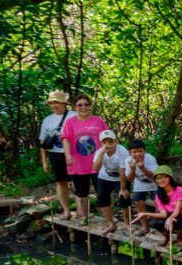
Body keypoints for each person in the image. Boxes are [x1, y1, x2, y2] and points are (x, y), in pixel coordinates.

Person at [61, 94, 109, 222]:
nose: (83, 107)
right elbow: (66, 139)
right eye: (80, 105)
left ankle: (109, 218)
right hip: (78, 163)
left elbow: (108, 137)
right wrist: (67, 155)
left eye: (86, 104)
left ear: (90, 106)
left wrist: (108, 152)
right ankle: (85, 218)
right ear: (74, 107)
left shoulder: (98, 121)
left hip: (97, 162)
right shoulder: (70, 122)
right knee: (82, 192)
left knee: (103, 191)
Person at [38, 90, 76, 219]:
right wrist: (44, 162)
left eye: (57, 102)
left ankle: (82, 211)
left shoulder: (74, 116)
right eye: (51, 103)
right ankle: (66, 211)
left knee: (76, 182)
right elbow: (43, 143)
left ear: (64, 103)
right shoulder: (47, 120)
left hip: (73, 154)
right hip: (55, 154)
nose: (54, 106)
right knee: (60, 182)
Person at [133, 165, 182, 247]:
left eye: (162, 177)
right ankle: (166, 237)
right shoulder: (158, 195)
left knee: (177, 222)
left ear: (169, 178)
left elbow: (177, 211)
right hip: (168, 215)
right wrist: (144, 214)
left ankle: (180, 238)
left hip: (180, 216)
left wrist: (170, 218)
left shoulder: (179, 190)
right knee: (158, 223)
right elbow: (163, 214)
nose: (160, 180)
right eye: (157, 178)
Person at [91, 130, 130, 235]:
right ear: (101, 143)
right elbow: (95, 168)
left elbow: (122, 171)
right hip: (104, 177)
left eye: (110, 141)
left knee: (123, 198)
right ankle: (111, 224)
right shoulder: (99, 152)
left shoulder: (123, 152)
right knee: (101, 198)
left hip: (120, 178)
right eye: (105, 142)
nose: (108, 145)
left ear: (116, 141)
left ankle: (127, 223)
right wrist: (101, 153)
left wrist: (122, 189)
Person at [123, 139, 158, 234]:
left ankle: (161, 226)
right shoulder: (128, 160)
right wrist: (133, 169)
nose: (138, 154)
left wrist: (142, 168)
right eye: (134, 152)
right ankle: (145, 227)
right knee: (138, 203)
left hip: (154, 182)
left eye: (140, 151)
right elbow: (129, 179)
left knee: (158, 203)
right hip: (139, 182)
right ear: (130, 152)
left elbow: (154, 177)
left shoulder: (150, 159)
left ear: (145, 151)